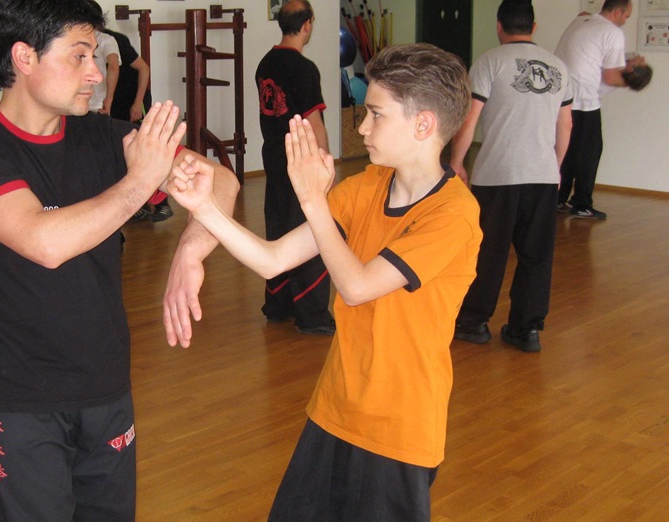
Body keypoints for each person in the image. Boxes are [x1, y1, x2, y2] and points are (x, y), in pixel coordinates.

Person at [0, 1, 238, 519]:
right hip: (17, 397)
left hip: (105, 386)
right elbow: (45, 242)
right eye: (79, 56)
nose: (96, 74)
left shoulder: (106, 138)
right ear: (24, 57)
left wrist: (190, 252)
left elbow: (222, 183)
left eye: (94, 55)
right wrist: (141, 180)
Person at [168, 43, 480, 521]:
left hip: (399, 429)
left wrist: (314, 200)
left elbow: (356, 286)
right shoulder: (367, 187)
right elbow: (273, 260)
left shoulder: (453, 215)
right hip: (335, 409)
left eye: (376, 115)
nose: (363, 127)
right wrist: (204, 209)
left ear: (423, 125)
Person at [449, 0, 573, 353]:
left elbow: (469, 119)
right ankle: (526, 330)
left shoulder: (490, 61)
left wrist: (457, 162)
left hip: (497, 175)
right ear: (533, 27)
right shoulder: (559, 67)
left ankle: (473, 323)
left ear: (499, 26)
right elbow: (566, 124)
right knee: (536, 256)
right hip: (542, 176)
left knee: (489, 251)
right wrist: (556, 166)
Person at [255, 0, 335, 335]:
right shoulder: (304, 68)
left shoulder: (265, 63)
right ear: (307, 25)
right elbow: (314, 122)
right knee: (307, 231)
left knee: (278, 226)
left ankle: (278, 305)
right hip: (300, 161)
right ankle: (312, 315)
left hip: (274, 157)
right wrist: (325, 165)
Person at [555, 0, 645, 219]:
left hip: (561, 98)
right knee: (590, 153)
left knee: (567, 150)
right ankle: (582, 204)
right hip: (584, 101)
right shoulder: (612, 32)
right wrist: (634, 79)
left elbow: (594, 56)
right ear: (617, 12)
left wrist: (629, 64)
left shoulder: (581, 21)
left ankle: (557, 198)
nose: (625, 21)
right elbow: (611, 77)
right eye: (626, 16)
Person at [90, 0, 174, 223]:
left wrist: (137, 103)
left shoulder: (114, 40)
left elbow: (144, 69)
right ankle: (135, 205)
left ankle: (162, 204)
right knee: (119, 153)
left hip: (132, 100)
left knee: (143, 151)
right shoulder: (81, 42)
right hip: (111, 104)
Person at [88, 13, 120, 115]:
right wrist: (109, 99)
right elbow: (113, 66)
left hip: (72, 103)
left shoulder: (67, 38)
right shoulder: (105, 39)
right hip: (98, 103)